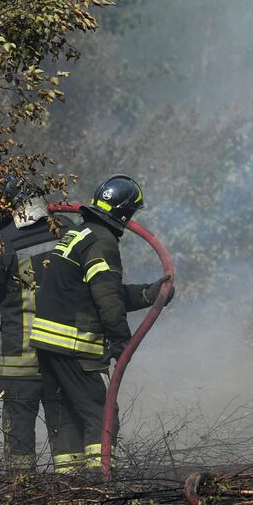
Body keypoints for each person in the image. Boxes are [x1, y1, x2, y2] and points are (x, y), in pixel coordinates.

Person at [30, 174, 173, 472]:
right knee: (101, 414)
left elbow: (94, 290)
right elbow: (106, 295)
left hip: (47, 344)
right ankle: (99, 484)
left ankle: (68, 492)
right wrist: (121, 339)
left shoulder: (80, 235)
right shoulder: (103, 242)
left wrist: (147, 294)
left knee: (66, 417)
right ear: (124, 213)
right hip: (76, 344)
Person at [0, 189, 80, 473]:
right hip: (62, 360)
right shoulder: (65, 231)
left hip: (20, 367)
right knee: (68, 443)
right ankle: (74, 500)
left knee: (19, 451)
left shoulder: (2, 243)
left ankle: (22, 502)